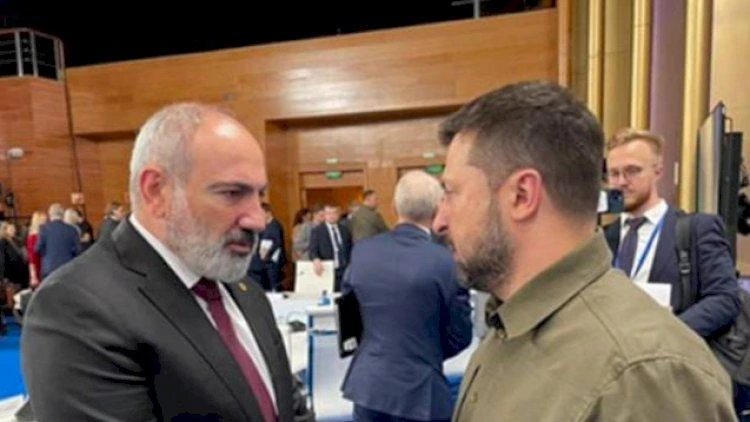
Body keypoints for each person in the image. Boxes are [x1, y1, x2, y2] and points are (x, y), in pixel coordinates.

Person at [434, 81, 735, 421]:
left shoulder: (642, 376)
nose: (440, 221)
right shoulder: (508, 325)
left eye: (451, 192)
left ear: (522, 195)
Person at [22, 103, 297, 421]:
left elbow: (290, 408)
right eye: (232, 193)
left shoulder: (244, 291)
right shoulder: (76, 308)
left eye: (259, 196)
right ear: (156, 192)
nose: (258, 220)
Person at [603, 128, 742, 410]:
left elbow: (725, 299)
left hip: (678, 381)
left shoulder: (697, 229)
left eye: (632, 171)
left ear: (658, 171)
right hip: (617, 382)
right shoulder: (603, 238)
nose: (621, 182)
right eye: (614, 173)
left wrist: (668, 332)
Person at [341, 170, 472, 422]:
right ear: (437, 209)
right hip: (421, 391)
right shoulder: (446, 261)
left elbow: (348, 320)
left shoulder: (362, 252)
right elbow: (460, 334)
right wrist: (425, 352)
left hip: (369, 387)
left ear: (394, 206)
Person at [309, 204, 352, 292]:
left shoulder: (345, 230)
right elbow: (313, 250)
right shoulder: (317, 231)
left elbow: (350, 248)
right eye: (328, 213)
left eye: (334, 213)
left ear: (339, 214)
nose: (332, 216)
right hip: (328, 270)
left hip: (345, 270)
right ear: (324, 215)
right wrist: (316, 259)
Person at [35, 203, 81, 280]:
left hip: (49, 268)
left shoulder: (43, 229)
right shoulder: (72, 230)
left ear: (50, 214)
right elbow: (78, 250)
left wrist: (48, 254)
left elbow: (38, 249)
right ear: (63, 215)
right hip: (67, 268)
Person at [25, 211, 46, 289]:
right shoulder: (32, 237)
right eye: (43, 220)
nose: (45, 223)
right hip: (37, 266)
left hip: (44, 265)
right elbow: (31, 258)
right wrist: (33, 275)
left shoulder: (44, 235)